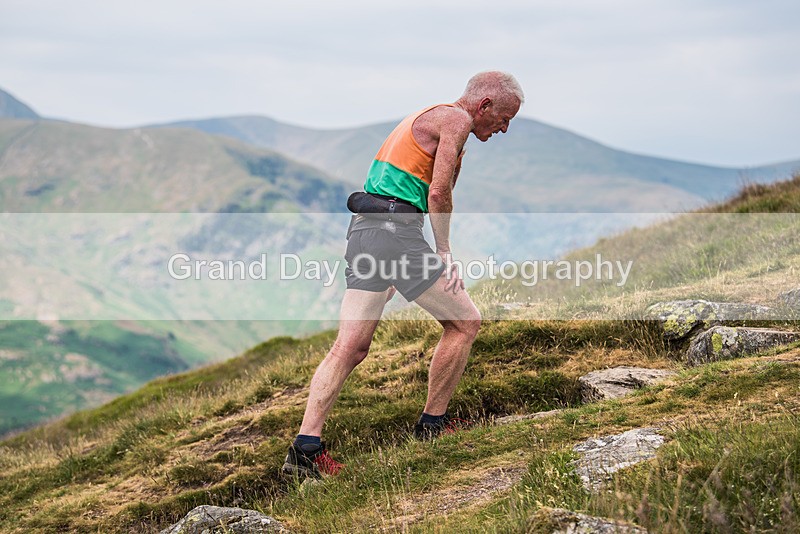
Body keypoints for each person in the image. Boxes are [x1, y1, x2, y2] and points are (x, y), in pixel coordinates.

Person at [282, 71, 524, 479]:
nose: (503, 128)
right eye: (504, 118)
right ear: (484, 105)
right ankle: (433, 426)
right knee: (465, 322)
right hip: (396, 233)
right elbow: (438, 192)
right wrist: (444, 251)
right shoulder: (455, 120)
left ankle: (305, 449)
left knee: (350, 347)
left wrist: (392, 261)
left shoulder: (427, 115)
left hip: (366, 231)